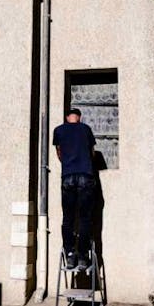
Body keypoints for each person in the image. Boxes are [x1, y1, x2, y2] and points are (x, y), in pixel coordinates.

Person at [53, 107, 97, 270]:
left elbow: (59, 152)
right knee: (85, 218)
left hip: (68, 177)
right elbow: (92, 153)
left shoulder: (58, 130)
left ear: (67, 117)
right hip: (86, 176)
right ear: (79, 117)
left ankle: (70, 255)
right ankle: (83, 257)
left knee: (68, 218)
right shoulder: (86, 129)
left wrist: (68, 164)